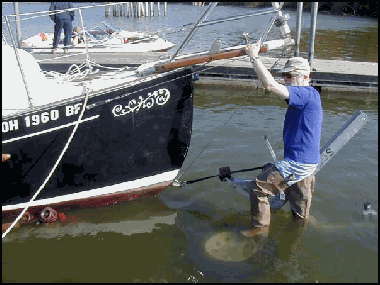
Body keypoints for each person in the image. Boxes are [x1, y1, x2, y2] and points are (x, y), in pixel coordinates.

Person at [221, 43, 323, 238]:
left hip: (298, 162)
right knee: (300, 213)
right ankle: (301, 229)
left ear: (304, 77)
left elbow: (270, 86)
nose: (285, 79)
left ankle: (259, 231)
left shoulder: (305, 93)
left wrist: (254, 57)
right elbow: (276, 87)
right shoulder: (311, 96)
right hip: (308, 164)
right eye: (284, 76)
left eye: (289, 76)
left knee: (258, 189)